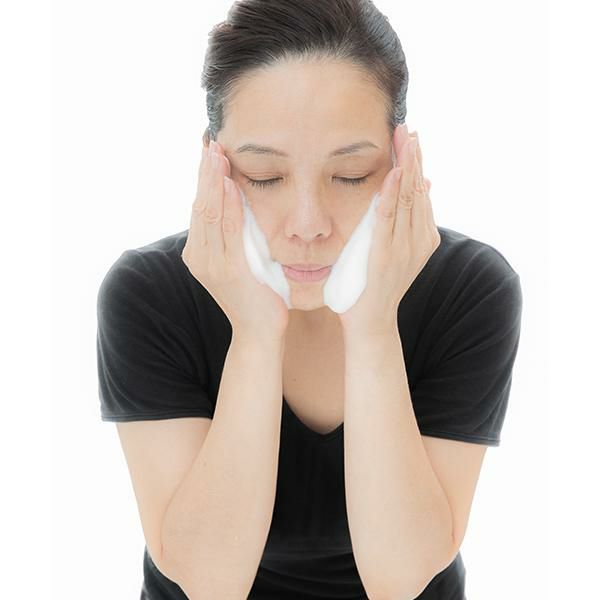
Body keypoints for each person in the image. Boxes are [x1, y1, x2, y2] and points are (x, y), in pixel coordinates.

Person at [96, 1, 523, 598]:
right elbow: (207, 582)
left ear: (399, 160)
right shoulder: (149, 293)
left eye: (351, 175)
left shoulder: (469, 288)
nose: (307, 224)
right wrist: (254, 334)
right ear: (213, 164)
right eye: (264, 176)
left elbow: (401, 579)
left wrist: (373, 325)